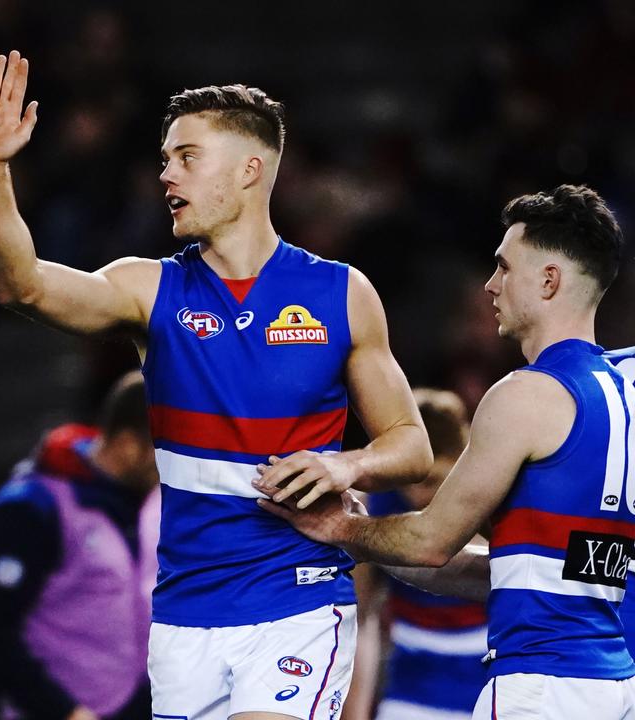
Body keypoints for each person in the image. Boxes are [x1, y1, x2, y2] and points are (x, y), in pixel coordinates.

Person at [0, 51, 431, 720]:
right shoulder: (149, 287)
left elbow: (411, 444)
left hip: (295, 602)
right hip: (184, 621)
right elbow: (23, 285)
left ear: (250, 170)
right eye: (165, 158)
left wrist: (347, 462)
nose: (166, 174)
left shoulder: (341, 294)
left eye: (187, 156)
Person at [260, 185, 633, 719]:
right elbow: (497, 572)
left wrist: (342, 529)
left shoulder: (525, 395)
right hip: (611, 687)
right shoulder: (623, 394)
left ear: (549, 280)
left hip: (542, 686)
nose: (490, 285)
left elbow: (431, 541)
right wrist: (367, 543)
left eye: (505, 268)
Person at [0, 371, 160, 720]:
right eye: (165, 450)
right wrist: (63, 711)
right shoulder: (35, 506)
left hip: (135, 706)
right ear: (130, 446)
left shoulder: (147, 502)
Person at [345, 389, 487, 720]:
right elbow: (361, 620)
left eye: (433, 479)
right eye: (409, 479)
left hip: (488, 686)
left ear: (461, 463)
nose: (415, 495)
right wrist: (356, 712)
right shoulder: (374, 510)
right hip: (411, 690)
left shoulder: (489, 505)